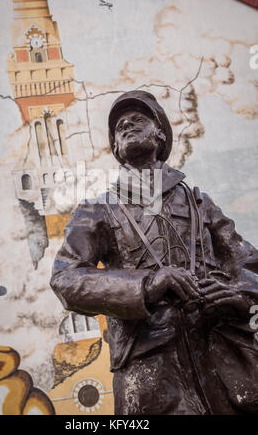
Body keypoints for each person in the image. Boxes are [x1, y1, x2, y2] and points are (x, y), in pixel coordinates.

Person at [50, 90, 258, 415]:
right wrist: (146, 285)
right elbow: (66, 278)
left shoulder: (199, 203)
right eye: (120, 126)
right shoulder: (97, 209)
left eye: (139, 119)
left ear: (160, 133)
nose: (128, 124)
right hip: (148, 371)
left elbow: (248, 264)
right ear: (117, 149)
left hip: (217, 359)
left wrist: (235, 295)